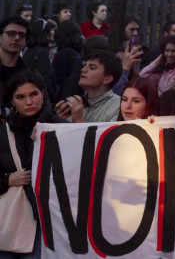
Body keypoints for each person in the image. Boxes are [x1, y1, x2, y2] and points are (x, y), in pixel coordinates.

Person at [2, 71, 65, 256]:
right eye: (21, 97)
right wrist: (7, 180)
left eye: (34, 94)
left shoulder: (61, 127)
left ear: (43, 93)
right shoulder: (3, 133)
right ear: (12, 101)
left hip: (48, 220)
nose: (29, 102)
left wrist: (44, 143)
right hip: (9, 219)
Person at [54, 49, 122, 123]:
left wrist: (78, 120)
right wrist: (59, 121)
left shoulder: (119, 106)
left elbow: (109, 134)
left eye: (92, 68)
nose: (83, 70)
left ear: (107, 79)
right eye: (84, 65)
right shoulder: (77, 104)